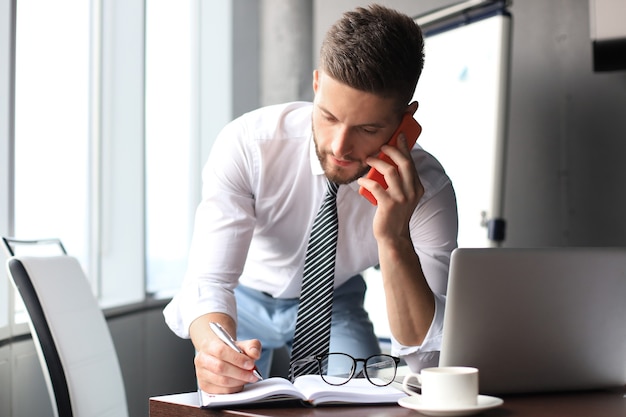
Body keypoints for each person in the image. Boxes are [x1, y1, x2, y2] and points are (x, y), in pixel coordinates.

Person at [164, 4, 458, 395]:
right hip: (243, 298)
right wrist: (214, 351)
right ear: (317, 84)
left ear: (406, 119)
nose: (340, 147)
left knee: (359, 400)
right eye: (330, 117)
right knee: (227, 396)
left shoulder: (428, 190)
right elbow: (210, 281)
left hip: (335, 299)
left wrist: (394, 238)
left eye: (368, 128)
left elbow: (429, 359)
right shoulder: (250, 145)